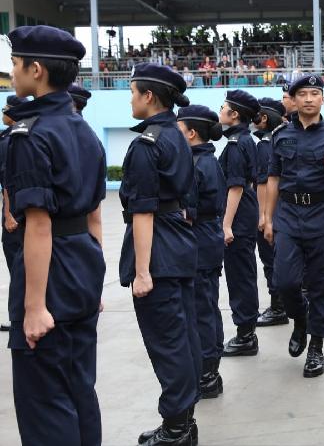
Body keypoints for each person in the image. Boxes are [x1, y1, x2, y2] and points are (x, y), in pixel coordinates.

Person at [5, 25, 106, 446]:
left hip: (52, 271)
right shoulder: (82, 129)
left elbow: (39, 224)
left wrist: (33, 306)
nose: (11, 73)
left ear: (36, 69)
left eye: (15, 64)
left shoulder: (30, 137)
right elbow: (94, 212)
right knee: (79, 387)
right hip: (82, 262)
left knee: (45, 399)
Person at [119, 62, 200, 446]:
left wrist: (143, 270)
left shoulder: (147, 144)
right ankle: (184, 419)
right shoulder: (177, 135)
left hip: (160, 251)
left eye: (133, 91)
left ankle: (176, 428)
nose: (131, 98)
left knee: (167, 343)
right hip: (180, 243)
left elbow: (143, 211)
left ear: (148, 96)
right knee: (183, 338)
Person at [264, 74, 324, 378]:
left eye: (315, 93)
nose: (309, 99)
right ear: (293, 99)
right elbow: (273, 179)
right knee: (284, 281)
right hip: (288, 214)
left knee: (320, 285)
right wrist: (268, 217)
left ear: (323, 98)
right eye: (303, 94)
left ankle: (316, 346)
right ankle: (299, 321)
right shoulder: (280, 135)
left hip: (323, 214)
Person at [177, 105, 227, 400]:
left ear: (192, 133)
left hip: (200, 241)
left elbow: (190, 211)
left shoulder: (198, 164)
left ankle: (208, 373)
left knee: (202, 308)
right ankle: (209, 368)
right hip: (205, 239)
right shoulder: (203, 160)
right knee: (206, 305)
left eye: (179, 129)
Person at [218, 89, 261, 357]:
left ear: (234, 115)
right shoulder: (245, 140)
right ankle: (247, 331)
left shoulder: (236, 145)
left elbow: (235, 188)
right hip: (245, 214)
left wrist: (225, 225)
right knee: (243, 273)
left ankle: (246, 335)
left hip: (238, 218)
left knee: (240, 275)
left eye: (223, 108)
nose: (219, 111)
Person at [254, 97, 289, 327]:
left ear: (264, 118)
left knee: (271, 261)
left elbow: (266, 182)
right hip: (280, 211)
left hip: (272, 213)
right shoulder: (278, 140)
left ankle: (279, 307)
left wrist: (264, 216)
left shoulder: (266, 144)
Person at [0, 95, 28, 332]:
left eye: (5, 109)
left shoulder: (12, 139)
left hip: (17, 213)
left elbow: (7, 181)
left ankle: (20, 318)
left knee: (18, 267)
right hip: (22, 211)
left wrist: (9, 214)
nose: (3, 113)